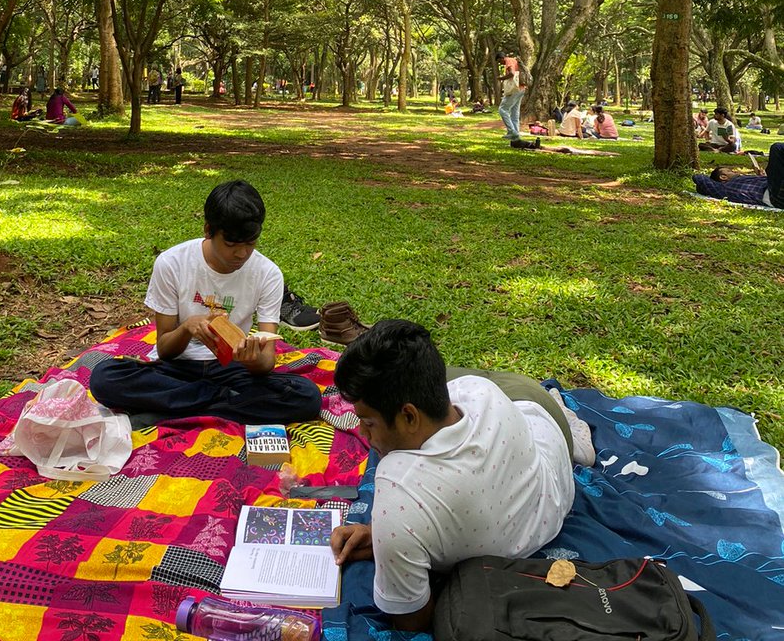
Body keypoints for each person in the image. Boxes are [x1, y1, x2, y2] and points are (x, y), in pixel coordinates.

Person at [329, 320, 586, 631]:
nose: (361, 433)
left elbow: (411, 619)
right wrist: (386, 541)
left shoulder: (397, 493)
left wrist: (390, 539)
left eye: (367, 423)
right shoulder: (477, 391)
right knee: (431, 377)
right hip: (546, 438)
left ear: (409, 416)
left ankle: (574, 423)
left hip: (538, 406)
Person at [90, 180, 322, 424]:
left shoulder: (267, 273)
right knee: (104, 378)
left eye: (251, 244)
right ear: (208, 230)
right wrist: (188, 327)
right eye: (231, 244)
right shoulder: (172, 263)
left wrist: (253, 360)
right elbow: (166, 350)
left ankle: (172, 409)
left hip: (232, 369)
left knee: (306, 396)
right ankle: (225, 403)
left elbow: (267, 362)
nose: (242, 254)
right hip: (178, 369)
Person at [693, 144, 784, 209]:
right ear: (723, 177)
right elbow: (699, 178)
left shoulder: (744, 178)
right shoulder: (723, 188)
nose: (734, 171)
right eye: (729, 171)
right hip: (775, 197)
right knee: (777, 148)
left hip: (774, 188)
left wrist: (763, 176)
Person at [495, 49, 526, 143]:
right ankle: (516, 136)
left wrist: (501, 78)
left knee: (502, 109)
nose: (500, 63)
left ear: (501, 58)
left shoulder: (508, 61)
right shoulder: (514, 60)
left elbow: (512, 74)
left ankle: (511, 131)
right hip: (521, 88)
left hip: (514, 89)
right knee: (514, 113)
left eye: (499, 61)